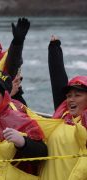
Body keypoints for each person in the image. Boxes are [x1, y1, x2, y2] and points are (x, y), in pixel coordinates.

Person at [38, 36, 87, 180]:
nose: (71, 99)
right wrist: (54, 49)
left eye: (77, 95)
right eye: (69, 95)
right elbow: (57, 80)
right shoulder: (62, 115)